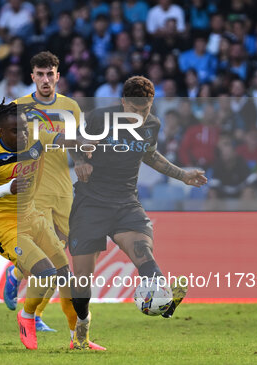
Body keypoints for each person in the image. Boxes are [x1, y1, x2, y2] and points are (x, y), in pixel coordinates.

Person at [68, 76, 207, 349]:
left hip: (125, 203)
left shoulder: (152, 125)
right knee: (83, 279)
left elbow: (150, 155)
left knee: (143, 251)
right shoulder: (100, 118)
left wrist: (182, 175)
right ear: (122, 104)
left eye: (144, 111)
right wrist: (82, 160)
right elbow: (74, 141)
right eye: (134, 111)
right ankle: (82, 326)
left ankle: (161, 300)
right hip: (90, 203)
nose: (139, 116)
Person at [0, 100, 104, 351]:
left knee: (66, 280)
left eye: (23, 129)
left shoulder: (35, 135)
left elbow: (62, 138)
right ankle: (27, 316)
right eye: (14, 131)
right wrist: (7, 188)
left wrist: (81, 143)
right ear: (0, 130)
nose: (21, 135)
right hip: (7, 226)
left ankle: (79, 339)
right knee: (46, 273)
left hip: (34, 217)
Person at [2, 51, 82, 334]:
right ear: (32, 77)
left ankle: (19, 281)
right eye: (40, 74)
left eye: (51, 74)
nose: (46, 79)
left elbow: (76, 142)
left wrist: (83, 161)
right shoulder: (19, 107)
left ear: (58, 76)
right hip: (34, 192)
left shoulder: (70, 106)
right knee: (51, 254)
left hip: (63, 189)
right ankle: (30, 308)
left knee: (61, 252)